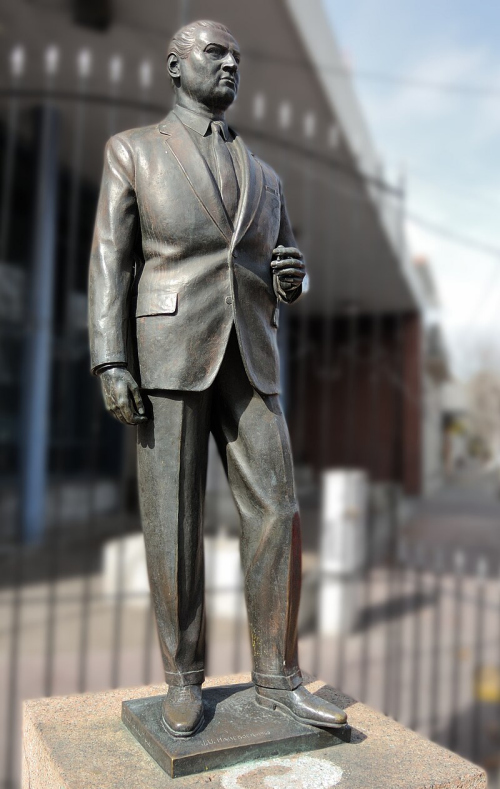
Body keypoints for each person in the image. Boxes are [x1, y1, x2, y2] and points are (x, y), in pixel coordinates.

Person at [89, 19, 347, 737]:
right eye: (214, 53)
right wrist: (111, 358)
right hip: (168, 348)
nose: (230, 64)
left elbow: (280, 262)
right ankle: (182, 677)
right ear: (175, 67)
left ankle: (277, 677)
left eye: (237, 56)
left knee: (278, 507)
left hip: (251, 350)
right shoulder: (133, 151)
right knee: (173, 515)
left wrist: (291, 279)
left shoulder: (266, 175)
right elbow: (111, 261)